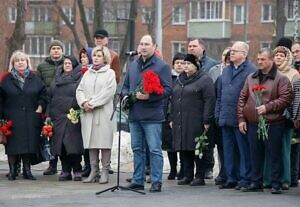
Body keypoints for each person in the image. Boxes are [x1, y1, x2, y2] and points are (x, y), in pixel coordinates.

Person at [238, 48, 293, 194]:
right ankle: (256, 182)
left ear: (271, 60)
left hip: (273, 122)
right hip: (253, 122)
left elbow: (286, 99)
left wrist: (267, 107)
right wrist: (241, 118)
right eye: (258, 59)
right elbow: (242, 98)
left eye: (263, 59)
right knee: (254, 153)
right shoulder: (251, 77)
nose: (260, 62)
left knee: (274, 153)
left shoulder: (281, 78)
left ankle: (276, 183)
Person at [122, 34, 172, 192]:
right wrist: (125, 95)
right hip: (135, 114)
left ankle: (156, 181)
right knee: (137, 148)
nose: (143, 47)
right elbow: (125, 86)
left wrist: (150, 96)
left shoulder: (161, 66)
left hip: (152, 115)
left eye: (147, 44)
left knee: (154, 149)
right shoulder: (133, 65)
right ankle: (138, 179)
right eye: (141, 44)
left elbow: (168, 89)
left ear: (154, 46)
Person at [215, 41, 257, 190]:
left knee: (243, 150)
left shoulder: (251, 71)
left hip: (241, 119)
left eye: (235, 51)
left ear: (244, 54)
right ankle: (231, 178)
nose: (231, 53)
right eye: (231, 50)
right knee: (228, 150)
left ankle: (245, 178)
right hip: (226, 117)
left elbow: (252, 97)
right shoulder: (226, 71)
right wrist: (218, 114)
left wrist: (244, 117)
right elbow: (220, 95)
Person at [0, 50, 47, 180]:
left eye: (23, 60)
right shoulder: (6, 80)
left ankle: (27, 170)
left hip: (30, 117)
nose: (20, 63)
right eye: (17, 61)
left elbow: (43, 95)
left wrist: (39, 107)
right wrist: (2, 118)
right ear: (13, 64)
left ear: (27, 63)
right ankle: (13, 170)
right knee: (12, 146)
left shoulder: (35, 78)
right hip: (11, 118)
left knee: (28, 144)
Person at [171, 53, 215, 186]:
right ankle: (187, 174)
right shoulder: (180, 79)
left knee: (197, 148)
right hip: (181, 119)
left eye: (189, 64)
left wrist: (207, 120)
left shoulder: (204, 79)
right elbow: (173, 99)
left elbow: (209, 100)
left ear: (196, 65)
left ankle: (199, 175)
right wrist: (172, 117)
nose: (185, 66)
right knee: (184, 147)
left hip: (196, 119)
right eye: (184, 63)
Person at [76, 45, 117, 184]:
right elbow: (79, 90)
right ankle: (94, 171)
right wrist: (83, 103)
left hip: (103, 114)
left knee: (104, 143)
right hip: (88, 114)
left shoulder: (109, 73)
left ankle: (105, 171)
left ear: (104, 58)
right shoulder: (87, 73)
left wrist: (92, 103)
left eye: (99, 56)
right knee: (91, 143)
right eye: (94, 55)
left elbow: (108, 92)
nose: (96, 58)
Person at [264, 46, 300, 190]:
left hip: (286, 116)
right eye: (276, 55)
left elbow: (295, 96)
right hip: (269, 115)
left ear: (287, 58)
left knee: (285, 148)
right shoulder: (269, 73)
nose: (278, 57)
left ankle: (285, 179)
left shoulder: (294, 74)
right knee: (269, 148)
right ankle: (268, 178)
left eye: (281, 55)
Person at [46, 56, 84, 181]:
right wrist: (48, 115)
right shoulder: (56, 78)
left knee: (73, 145)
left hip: (72, 115)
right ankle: (65, 170)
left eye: (69, 63)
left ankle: (77, 169)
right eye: (65, 63)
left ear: (74, 65)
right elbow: (50, 97)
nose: (67, 65)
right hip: (57, 116)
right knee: (60, 145)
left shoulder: (80, 77)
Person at [187, 38, 218, 179]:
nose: (191, 48)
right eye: (189, 46)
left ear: (203, 48)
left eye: (194, 46)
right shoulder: (186, 62)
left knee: (206, 141)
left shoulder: (211, 64)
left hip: (205, 106)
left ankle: (208, 167)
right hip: (191, 108)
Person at [37, 39, 66, 176]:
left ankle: (66, 166)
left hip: (64, 104)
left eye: (58, 48)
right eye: (53, 48)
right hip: (49, 104)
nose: (56, 50)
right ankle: (52, 164)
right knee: (50, 134)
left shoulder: (68, 64)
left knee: (63, 135)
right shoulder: (42, 67)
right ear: (49, 51)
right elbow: (38, 86)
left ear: (62, 51)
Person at [208, 47, 231, 185]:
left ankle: (231, 173)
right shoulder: (220, 78)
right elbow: (215, 98)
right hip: (221, 118)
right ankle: (224, 172)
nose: (228, 64)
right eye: (227, 61)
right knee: (222, 148)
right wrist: (216, 116)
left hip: (236, 118)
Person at [162, 52, 186, 180]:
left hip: (181, 115)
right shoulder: (168, 77)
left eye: (182, 63)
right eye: (177, 63)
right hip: (168, 115)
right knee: (170, 145)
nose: (180, 65)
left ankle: (183, 169)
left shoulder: (186, 78)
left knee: (182, 144)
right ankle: (173, 169)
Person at [78, 47, 93, 177]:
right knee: (83, 140)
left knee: (92, 139)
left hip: (92, 107)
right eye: (81, 57)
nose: (83, 59)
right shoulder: (77, 71)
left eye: (85, 56)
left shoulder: (93, 71)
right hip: (80, 107)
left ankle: (94, 166)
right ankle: (86, 164)